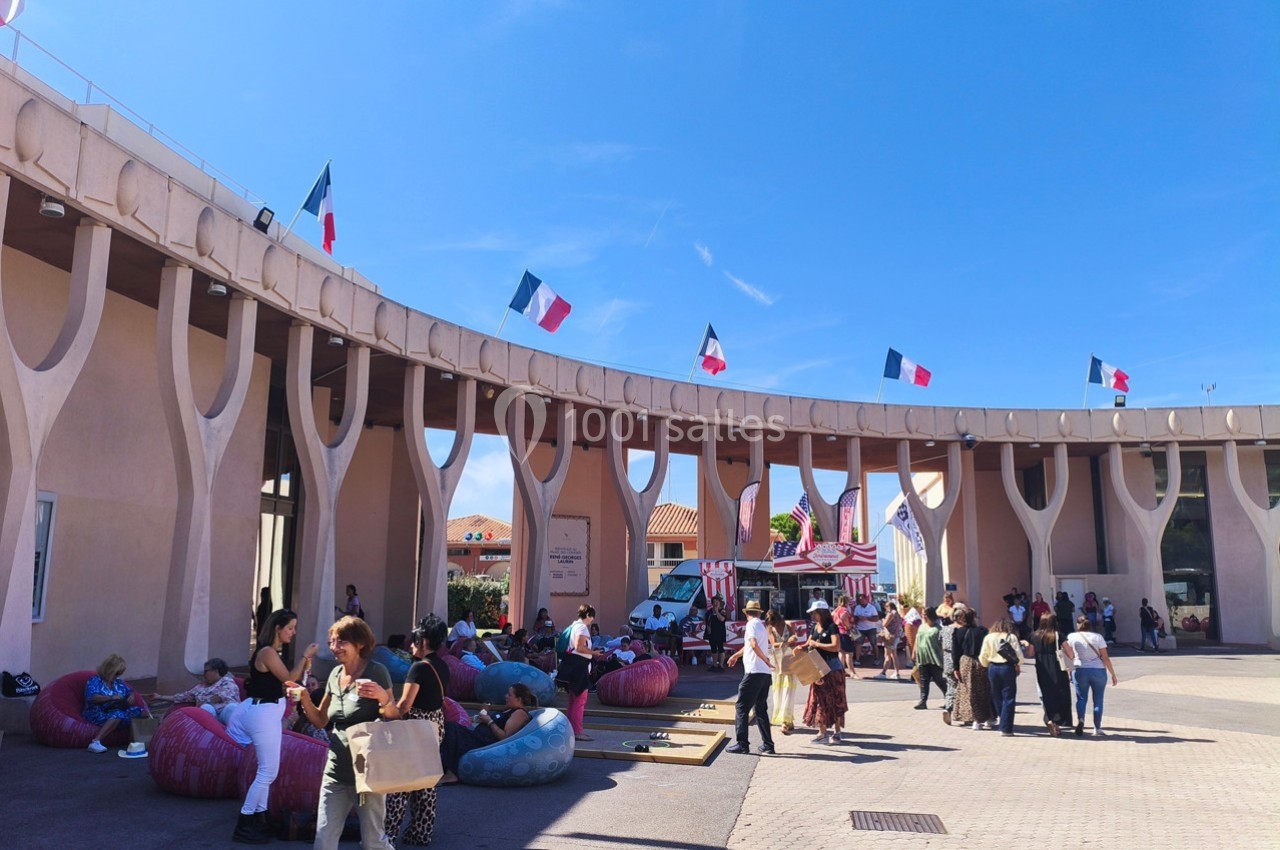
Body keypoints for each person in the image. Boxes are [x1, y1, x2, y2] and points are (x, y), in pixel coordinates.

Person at [294, 616, 399, 850]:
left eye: (341, 642)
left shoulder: (376, 671)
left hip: (368, 773)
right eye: (332, 642)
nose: (334, 647)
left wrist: (383, 698)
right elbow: (321, 721)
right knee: (323, 840)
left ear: (360, 643)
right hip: (336, 771)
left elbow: (395, 719)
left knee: (373, 842)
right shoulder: (334, 675)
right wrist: (304, 699)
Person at [227, 609, 318, 844]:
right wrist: (305, 657)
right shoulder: (267, 652)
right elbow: (289, 677)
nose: (293, 632)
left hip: (266, 711)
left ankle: (261, 818)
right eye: (290, 628)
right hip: (263, 713)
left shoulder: (269, 652)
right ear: (278, 629)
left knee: (266, 771)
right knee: (268, 772)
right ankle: (246, 821)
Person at [384, 615, 450, 847]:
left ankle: (387, 835)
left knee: (400, 785)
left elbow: (404, 705)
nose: (410, 645)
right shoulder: (442, 665)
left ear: (423, 641)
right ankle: (421, 832)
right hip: (434, 727)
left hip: (415, 727)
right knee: (426, 781)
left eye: (414, 641)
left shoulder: (418, 668)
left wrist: (385, 712)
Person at [439, 684, 536, 784]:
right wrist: (484, 713)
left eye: (509, 695)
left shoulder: (519, 713)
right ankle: (442, 768)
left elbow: (504, 737)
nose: (506, 696)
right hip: (479, 737)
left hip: (487, 743)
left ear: (518, 699)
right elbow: (482, 720)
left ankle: (451, 774)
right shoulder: (508, 710)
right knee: (450, 728)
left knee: (451, 728)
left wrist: (489, 721)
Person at [724, 599, 775, 754]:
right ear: (759, 612)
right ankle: (768, 744)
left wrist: (765, 659)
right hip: (764, 673)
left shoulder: (751, 624)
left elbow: (753, 644)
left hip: (754, 671)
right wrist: (736, 656)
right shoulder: (761, 625)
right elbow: (749, 646)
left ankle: (742, 744)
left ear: (747, 614)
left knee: (741, 707)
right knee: (760, 708)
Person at [1064, 615, 1120, 736]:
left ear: (1078, 625)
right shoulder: (1098, 637)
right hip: (1098, 670)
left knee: (1081, 698)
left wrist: (1069, 669)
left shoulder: (1071, 637)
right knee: (1098, 700)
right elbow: (1105, 657)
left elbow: (1068, 654)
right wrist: (1113, 674)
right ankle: (1097, 727)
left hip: (1079, 669)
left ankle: (1081, 720)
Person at [82, 653, 147, 754]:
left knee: (142, 712)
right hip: (98, 712)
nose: (117, 676)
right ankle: (96, 741)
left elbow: (130, 690)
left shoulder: (118, 682)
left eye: (119, 673)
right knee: (118, 714)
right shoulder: (95, 681)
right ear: (109, 670)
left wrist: (131, 695)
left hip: (116, 709)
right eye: (116, 673)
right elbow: (92, 698)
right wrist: (111, 698)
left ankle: (140, 740)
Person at [800, 606, 847, 744]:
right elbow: (809, 643)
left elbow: (836, 646)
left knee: (836, 699)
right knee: (819, 700)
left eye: (815, 613)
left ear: (822, 613)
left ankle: (837, 732)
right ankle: (822, 732)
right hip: (817, 667)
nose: (813, 616)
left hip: (832, 667)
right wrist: (800, 648)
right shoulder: (814, 628)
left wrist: (817, 644)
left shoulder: (832, 627)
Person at [149, 657, 241, 724]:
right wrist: (159, 697)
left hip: (225, 714)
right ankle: (214, 734)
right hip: (212, 719)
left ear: (215, 671)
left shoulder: (227, 681)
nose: (204, 674)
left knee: (231, 707)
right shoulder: (201, 686)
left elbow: (222, 696)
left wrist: (206, 701)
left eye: (206, 671)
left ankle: (235, 738)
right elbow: (182, 697)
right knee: (206, 708)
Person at [557, 604, 599, 742]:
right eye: (591, 617)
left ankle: (570, 729)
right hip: (579, 668)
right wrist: (594, 653)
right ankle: (577, 731)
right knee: (580, 700)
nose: (592, 620)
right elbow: (579, 646)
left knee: (573, 700)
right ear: (587, 615)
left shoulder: (573, 626)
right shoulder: (582, 627)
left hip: (571, 666)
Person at [951, 608, 996, 730]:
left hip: (965, 662)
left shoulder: (958, 632)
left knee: (968, 691)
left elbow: (955, 652)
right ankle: (987, 717)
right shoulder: (982, 631)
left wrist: (955, 668)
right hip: (981, 661)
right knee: (983, 690)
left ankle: (974, 719)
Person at [979, 617, 1026, 736]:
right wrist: (1018, 664)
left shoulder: (989, 637)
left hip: (993, 667)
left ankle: (1002, 718)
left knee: (996, 696)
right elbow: (1019, 655)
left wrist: (985, 665)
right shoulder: (1011, 637)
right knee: (1009, 697)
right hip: (1007, 667)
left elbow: (983, 655)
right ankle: (1006, 728)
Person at [1028, 613, 1072, 736]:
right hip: (1058, 668)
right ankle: (1058, 721)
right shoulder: (1058, 635)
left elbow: (1030, 653)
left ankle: (1050, 719)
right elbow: (1070, 652)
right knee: (1060, 694)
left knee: (1047, 695)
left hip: (1042, 669)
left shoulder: (1034, 635)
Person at [765, 610, 797, 735]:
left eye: (773, 623)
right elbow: (774, 644)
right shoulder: (770, 628)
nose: (772, 625)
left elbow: (794, 637)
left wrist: (792, 638)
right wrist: (788, 642)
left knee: (788, 690)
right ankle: (788, 720)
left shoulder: (788, 625)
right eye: (770, 623)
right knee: (778, 691)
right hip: (777, 661)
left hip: (789, 658)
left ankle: (785, 721)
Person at [912, 607, 948, 710]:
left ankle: (949, 699)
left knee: (939, 680)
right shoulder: (921, 627)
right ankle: (923, 701)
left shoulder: (938, 629)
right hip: (923, 657)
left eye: (924, 614)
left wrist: (945, 657)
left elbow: (943, 644)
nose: (923, 616)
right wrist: (914, 651)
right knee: (924, 680)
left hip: (934, 658)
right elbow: (917, 639)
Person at [938, 603, 962, 724]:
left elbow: (941, 644)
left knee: (950, 686)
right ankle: (961, 712)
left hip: (947, 658)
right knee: (962, 687)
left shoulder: (945, 629)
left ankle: (948, 707)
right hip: (958, 659)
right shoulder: (960, 630)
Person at [877, 601, 905, 680]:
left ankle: (883, 673)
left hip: (889, 636)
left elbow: (884, 624)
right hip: (896, 636)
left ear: (889, 607)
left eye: (886, 607)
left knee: (887, 655)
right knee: (894, 655)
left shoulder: (890, 614)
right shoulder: (897, 614)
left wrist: (883, 619)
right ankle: (896, 672)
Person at [853, 593, 881, 667]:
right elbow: (855, 617)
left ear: (866, 599)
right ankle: (857, 659)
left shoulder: (871, 608)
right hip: (860, 628)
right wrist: (857, 618)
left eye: (862, 599)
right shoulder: (857, 607)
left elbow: (876, 618)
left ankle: (877, 659)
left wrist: (867, 618)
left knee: (874, 644)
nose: (861, 601)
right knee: (858, 644)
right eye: (860, 599)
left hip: (871, 628)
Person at [833, 595, 857, 675]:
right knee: (849, 653)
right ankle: (852, 672)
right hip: (845, 632)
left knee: (841, 652)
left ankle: (841, 670)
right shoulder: (845, 610)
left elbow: (832, 614)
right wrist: (848, 625)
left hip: (838, 631)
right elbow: (843, 617)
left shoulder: (837, 610)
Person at [705, 596, 729, 671]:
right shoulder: (709, 612)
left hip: (720, 632)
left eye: (717, 602)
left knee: (721, 648)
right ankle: (714, 664)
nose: (715, 603)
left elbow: (722, 619)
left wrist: (717, 611)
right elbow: (707, 620)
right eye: (714, 602)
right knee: (713, 648)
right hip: (711, 633)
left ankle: (721, 665)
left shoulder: (722, 611)